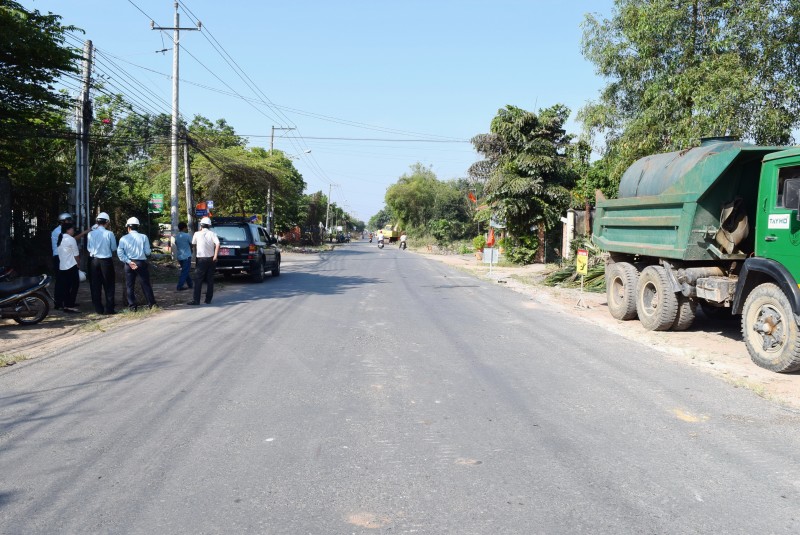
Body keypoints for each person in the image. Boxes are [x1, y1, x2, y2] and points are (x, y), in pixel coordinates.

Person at [117, 216, 156, 311]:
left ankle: (132, 307)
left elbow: (120, 253)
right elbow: (147, 252)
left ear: (128, 227)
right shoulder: (143, 237)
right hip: (141, 263)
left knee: (130, 286)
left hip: (129, 263)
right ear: (138, 227)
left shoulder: (123, 238)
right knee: (145, 284)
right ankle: (151, 304)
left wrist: (129, 262)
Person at [87, 212, 117, 315]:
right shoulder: (109, 234)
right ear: (107, 222)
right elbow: (113, 248)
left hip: (94, 261)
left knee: (95, 285)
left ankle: (98, 309)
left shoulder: (90, 234)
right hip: (106, 261)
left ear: (97, 222)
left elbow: (89, 248)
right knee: (109, 285)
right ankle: (110, 308)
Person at [188, 216, 219, 306]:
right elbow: (218, 244)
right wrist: (215, 256)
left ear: (201, 225)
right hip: (211, 259)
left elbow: (193, 244)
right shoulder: (213, 234)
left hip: (201, 259)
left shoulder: (197, 234)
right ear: (209, 226)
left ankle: (196, 300)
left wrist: (195, 252)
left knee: (198, 280)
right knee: (210, 279)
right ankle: (208, 300)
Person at [55, 223, 81, 313]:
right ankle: (69, 305)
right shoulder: (71, 239)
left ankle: (65, 304)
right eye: (72, 229)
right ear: (68, 230)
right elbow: (76, 255)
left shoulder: (60, 238)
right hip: (71, 266)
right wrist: (78, 264)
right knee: (74, 286)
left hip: (62, 266)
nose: (73, 231)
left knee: (65, 287)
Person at [173, 221, 193, 292]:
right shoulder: (187, 235)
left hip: (180, 256)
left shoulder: (177, 236)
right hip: (186, 256)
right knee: (185, 272)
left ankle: (190, 284)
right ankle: (179, 286)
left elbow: (176, 243)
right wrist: (191, 249)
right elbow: (192, 244)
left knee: (185, 271)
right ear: (184, 228)